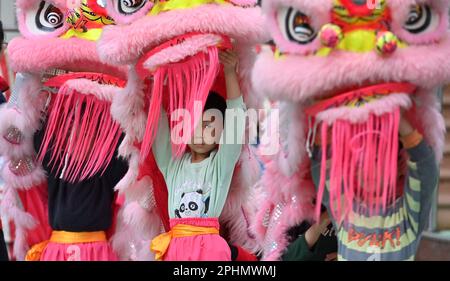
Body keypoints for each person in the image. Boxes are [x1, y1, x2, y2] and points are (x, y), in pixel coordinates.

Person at [150, 50, 246, 261]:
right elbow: (158, 127)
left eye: (209, 126)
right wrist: (158, 83)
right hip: (175, 250)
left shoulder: (220, 165)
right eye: (194, 126)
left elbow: (236, 121)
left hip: (210, 250)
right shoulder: (172, 165)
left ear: (221, 132)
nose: (200, 134)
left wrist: (230, 73)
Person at [311, 114, 439, 261]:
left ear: (398, 166)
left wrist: (397, 115)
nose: (367, 169)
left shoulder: (407, 216)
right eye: (360, 162)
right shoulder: (345, 210)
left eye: (376, 159)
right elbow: (322, 168)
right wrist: (326, 116)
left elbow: (425, 169)